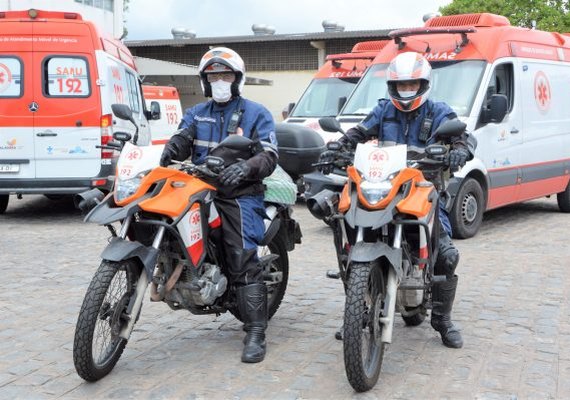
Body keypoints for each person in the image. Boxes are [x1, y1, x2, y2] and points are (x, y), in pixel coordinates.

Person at [319, 51, 472, 349]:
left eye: (412, 85)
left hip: (422, 186)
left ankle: (442, 320)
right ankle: (358, 311)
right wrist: (340, 144)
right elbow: (360, 132)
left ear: (423, 84)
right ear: (392, 86)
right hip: (383, 183)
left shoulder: (439, 112)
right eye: (401, 86)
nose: (406, 91)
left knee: (447, 254)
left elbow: (463, 137)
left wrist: (459, 150)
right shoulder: (383, 110)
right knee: (349, 237)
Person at [159, 47, 278, 363]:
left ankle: (255, 332)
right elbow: (183, 138)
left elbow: (269, 154)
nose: (220, 81)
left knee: (241, 256)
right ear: (204, 81)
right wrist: (169, 149)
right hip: (199, 185)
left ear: (237, 79)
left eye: (225, 75)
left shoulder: (256, 113)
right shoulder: (197, 112)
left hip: (239, 193)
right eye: (214, 76)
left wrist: (246, 168)